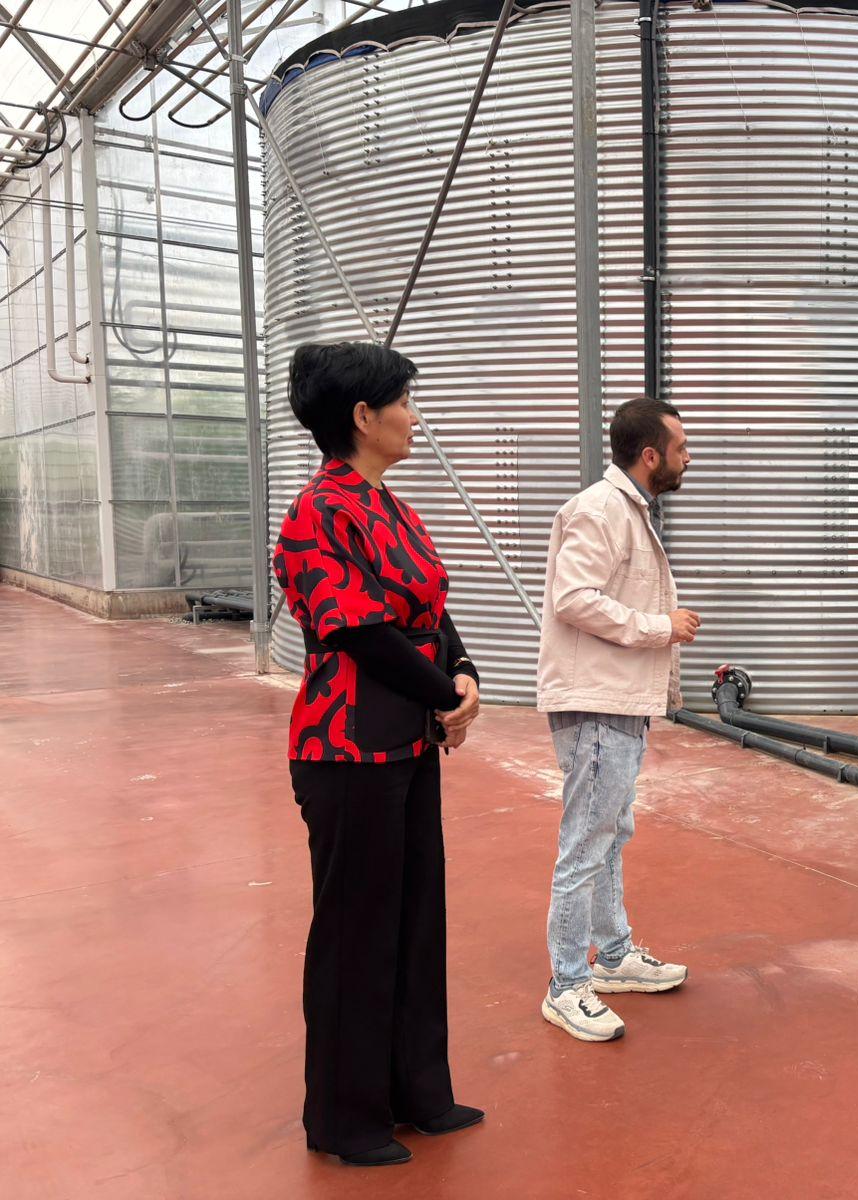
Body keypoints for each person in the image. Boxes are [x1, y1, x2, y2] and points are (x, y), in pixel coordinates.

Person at [273, 342, 485, 1165]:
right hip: (345, 752)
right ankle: (344, 1118)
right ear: (363, 416)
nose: (414, 416)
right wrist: (445, 695)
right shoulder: (317, 512)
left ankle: (417, 1092)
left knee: (415, 920)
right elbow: (360, 631)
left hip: (405, 742)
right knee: (355, 932)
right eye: (403, 401)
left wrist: (464, 672)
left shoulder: (390, 504)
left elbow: (429, 605)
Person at [536, 397, 700, 1042]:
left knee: (607, 834)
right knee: (586, 843)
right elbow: (573, 598)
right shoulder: (601, 510)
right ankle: (566, 985)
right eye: (681, 448)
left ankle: (611, 955)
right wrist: (660, 627)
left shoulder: (627, 510)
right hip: (598, 703)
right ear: (651, 455)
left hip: (618, 701)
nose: (689, 458)